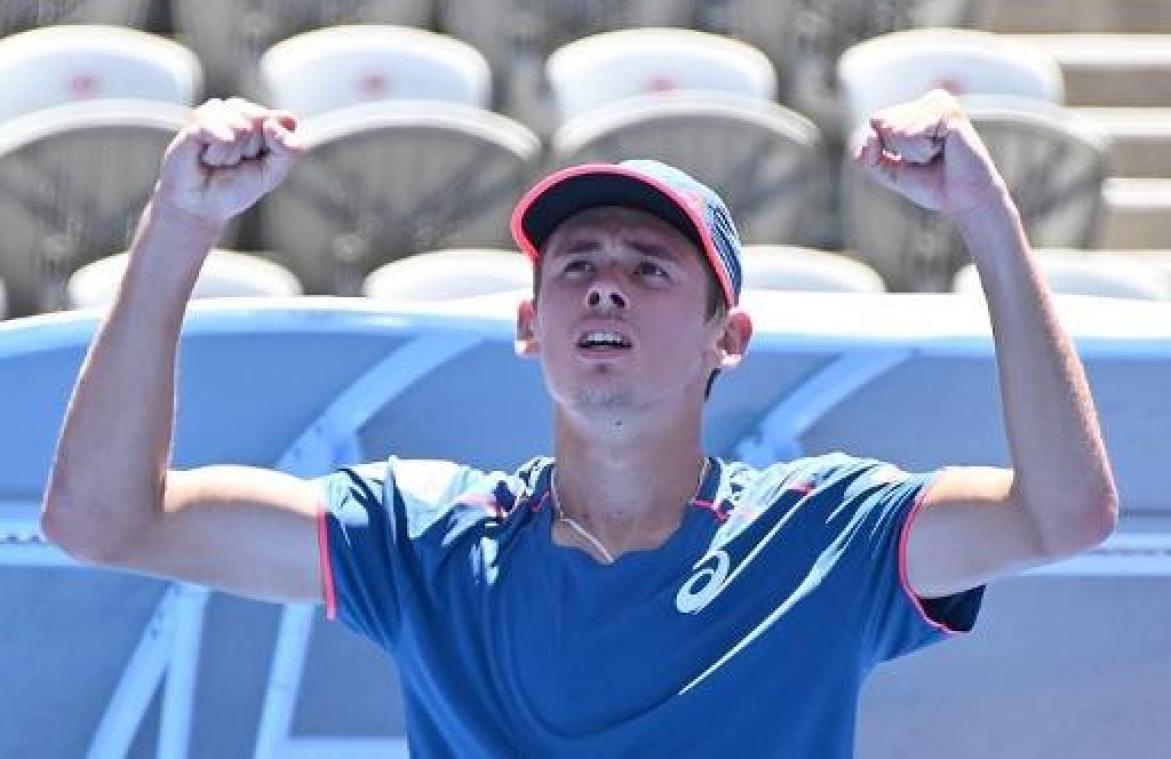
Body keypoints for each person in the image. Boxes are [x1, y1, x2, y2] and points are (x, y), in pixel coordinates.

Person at [42, 90, 1116, 756]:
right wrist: (179, 224)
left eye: (648, 268)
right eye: (576, 266)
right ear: (527, 324)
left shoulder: (825, 532)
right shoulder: (421, 534)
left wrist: (986, 216)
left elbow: (1062, 515)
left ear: (725, 339)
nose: (604, 287)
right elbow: (103, 522)